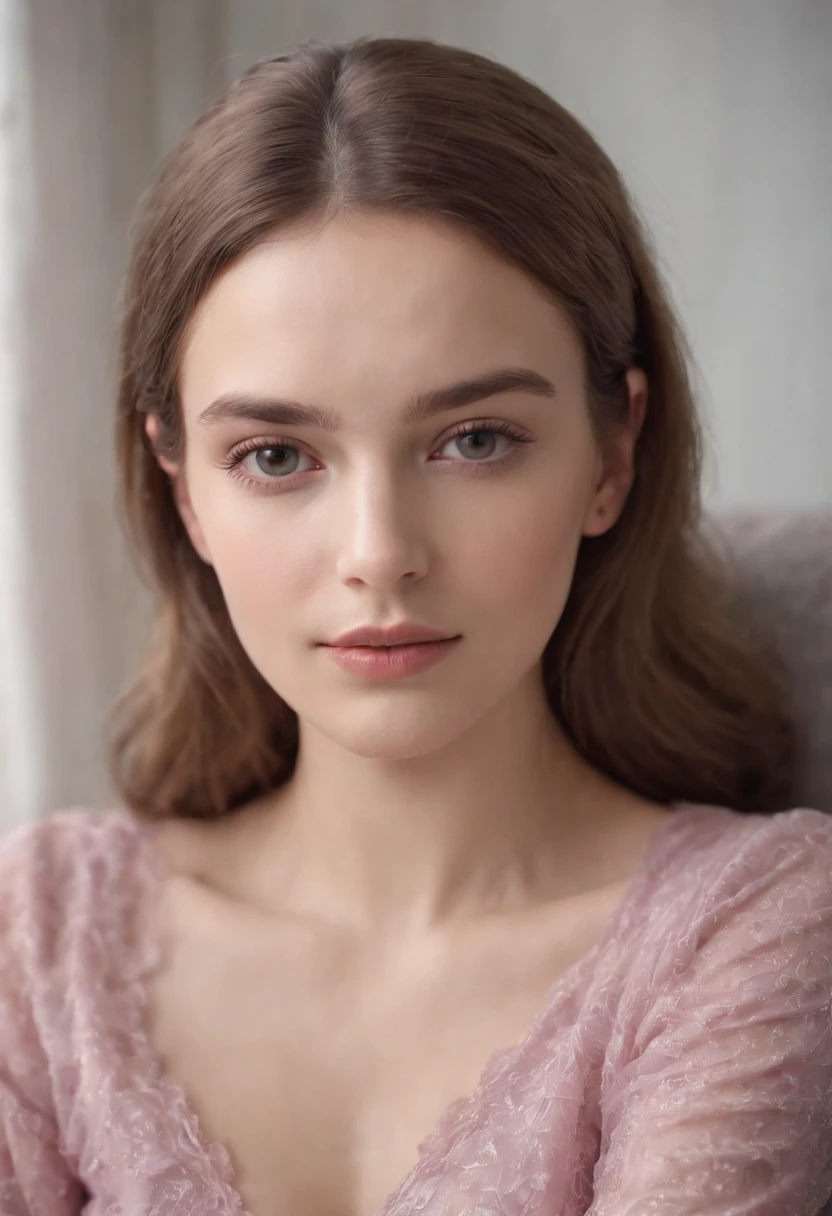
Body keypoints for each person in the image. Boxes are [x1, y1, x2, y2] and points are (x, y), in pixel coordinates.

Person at [1, 32, 831, 1216]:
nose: (379, 552)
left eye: (474, 439)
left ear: (614, 452)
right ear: (183, 486)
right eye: (277, 455)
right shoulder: (40, 936)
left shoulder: (758, 928)